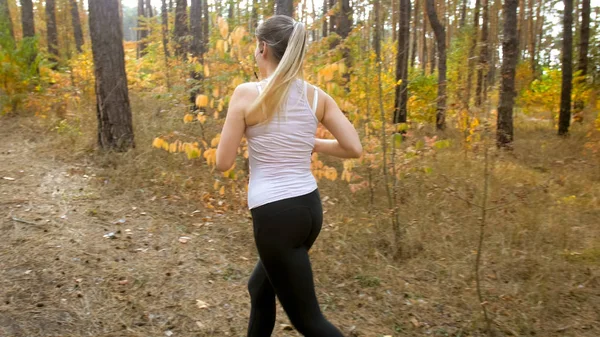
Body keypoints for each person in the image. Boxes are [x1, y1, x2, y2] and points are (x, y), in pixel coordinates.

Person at [216, 15, 362, 337]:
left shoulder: (246, 93)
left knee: (309, 322)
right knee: (260, 288)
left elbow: (223, 162)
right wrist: (314, 142)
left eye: (256, 47)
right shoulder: (316, 96)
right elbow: (353, 148)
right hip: (309, 211)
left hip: (275, 215)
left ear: (263, 47)